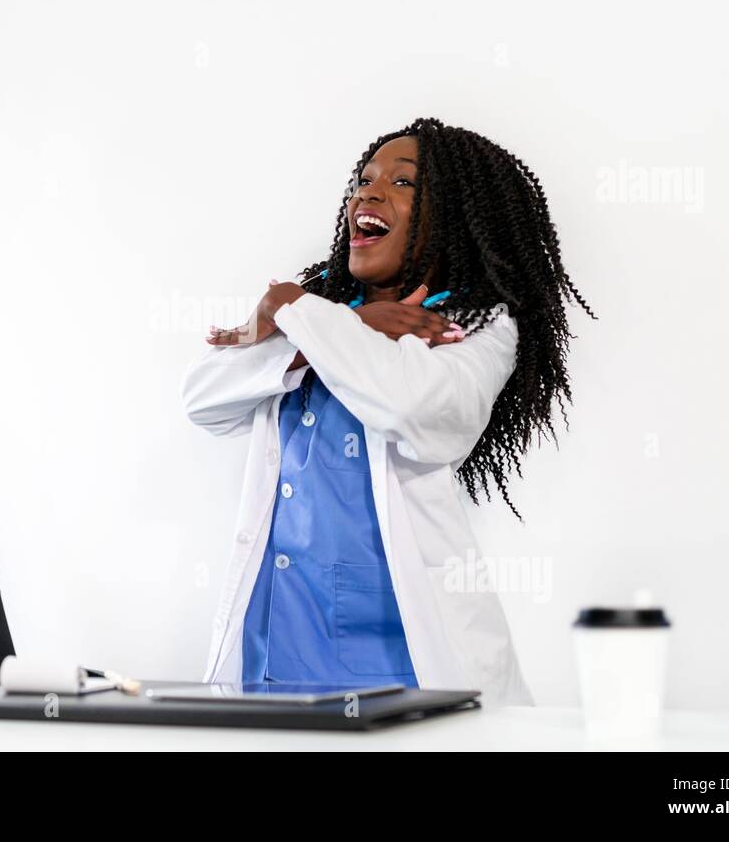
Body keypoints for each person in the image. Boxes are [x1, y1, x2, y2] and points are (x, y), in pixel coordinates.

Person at [181, 117, 596, 705]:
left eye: (403, 183)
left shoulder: (472, 325)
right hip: (275, 653)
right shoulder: (318, 311)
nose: (368, 194)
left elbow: (416, 408)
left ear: (451, 217)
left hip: (403, 662)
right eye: (365, 179)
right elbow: (203, 396)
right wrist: (332, 322)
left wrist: (303, 316)